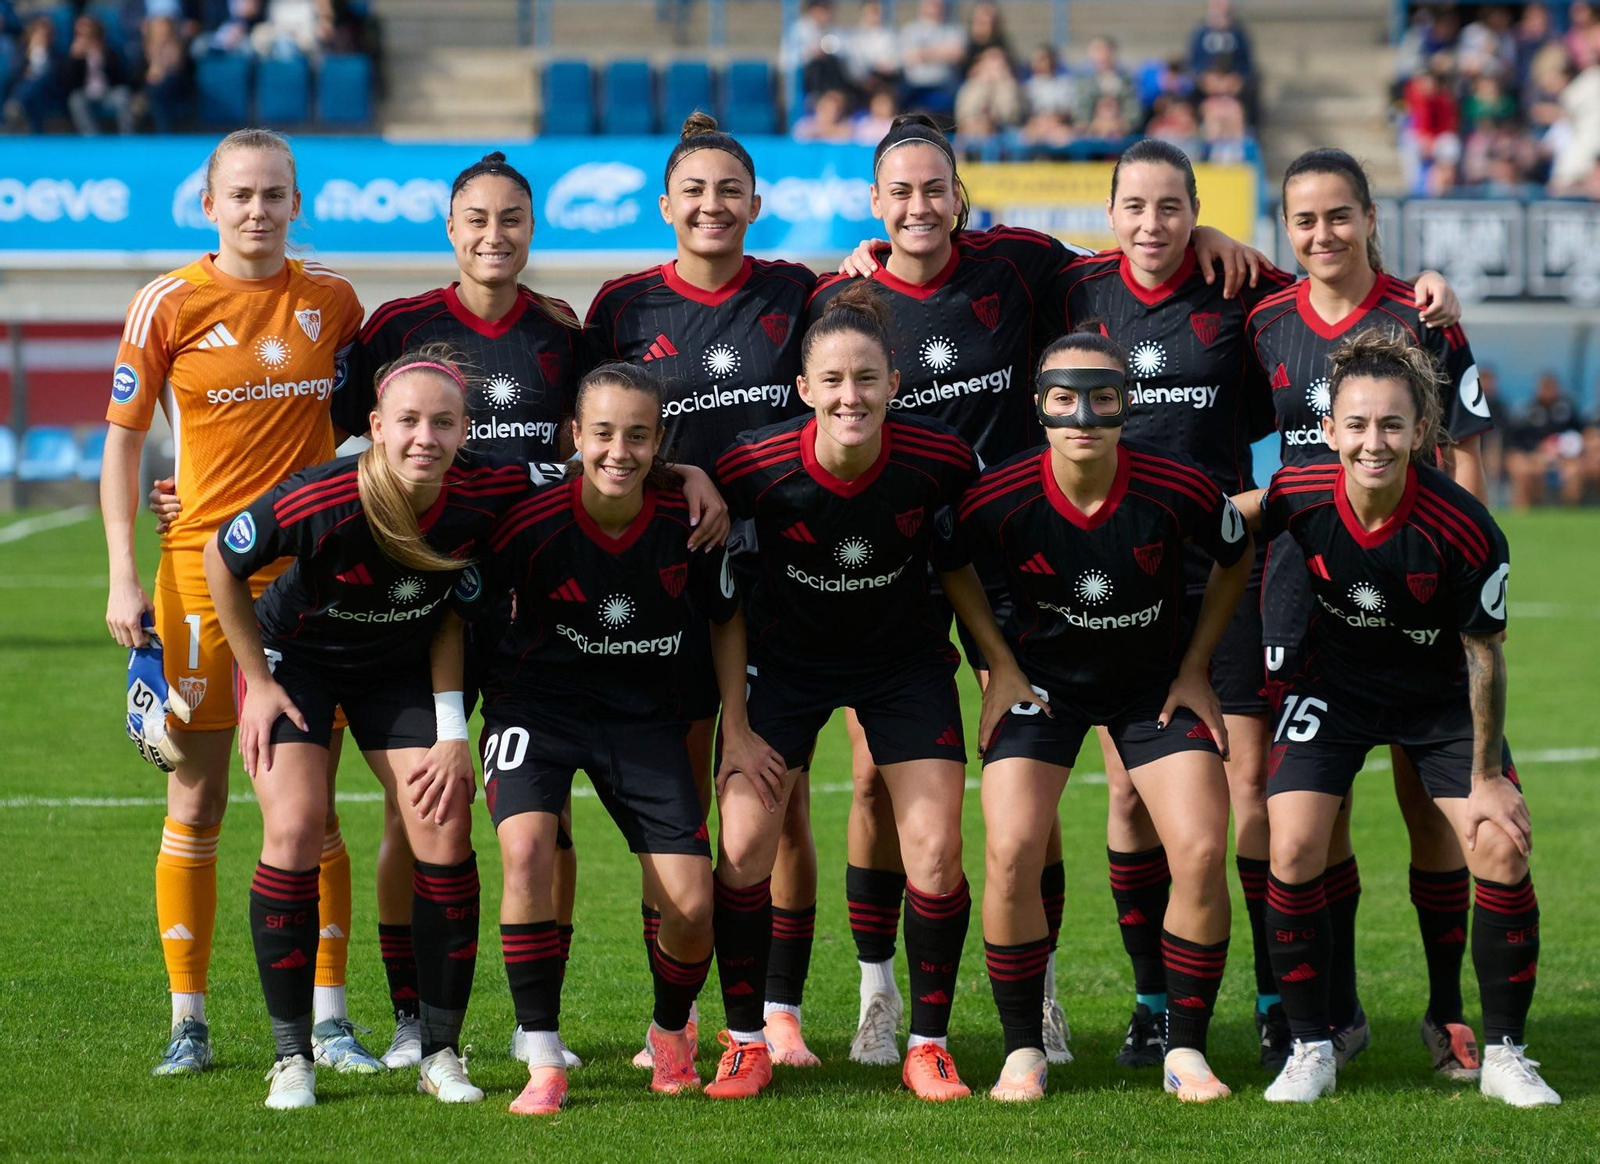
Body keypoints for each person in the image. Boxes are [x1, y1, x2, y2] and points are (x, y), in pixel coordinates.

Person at [818, 113, 1265, 1071]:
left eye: (934, 188)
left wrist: (1210, 236)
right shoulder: (844, 296)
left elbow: (1127, 261)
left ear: (960, 194)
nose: (919, 207)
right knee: (867, 776)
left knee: (1034, 795)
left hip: (1016, 558)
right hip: (898, 555)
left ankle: (1044, 990)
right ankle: (876, 992)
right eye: (899, 192)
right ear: (874, 202)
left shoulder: (1022, 263)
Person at [1052, 139, 1461, 1072]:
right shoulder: (1071, 291)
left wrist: (1427, 285)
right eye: (1135, 206)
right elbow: (956, 257)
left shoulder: (1242, 290)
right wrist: (869, 257)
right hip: (1115, 572)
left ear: (1198, 211)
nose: (1153, 224)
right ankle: (1153, 1005)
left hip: (1227, 570)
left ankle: (1285, 1003)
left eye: (1172, 207)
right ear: (1110, 213)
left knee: (1251, 790)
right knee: (1125, 791)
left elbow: (1336, 280)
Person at [707, 283, 1031, 1101]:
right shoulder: (750, 466)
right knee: (744, 847)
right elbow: (725, 595)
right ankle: (745, 1039)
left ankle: (928, 1043)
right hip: (783, 667)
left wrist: (998, 667)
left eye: (867, 378)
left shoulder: (941, 460)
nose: (850, 396)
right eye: (833, 381)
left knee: (934, 852)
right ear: (805, 390)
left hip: (902, 666)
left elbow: (958, 567)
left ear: (893, 382)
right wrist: (737, 725)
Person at [100, 128, 377, 1078]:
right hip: (194, 576)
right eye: (241, 194)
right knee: (200, 792)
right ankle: (190, 1020)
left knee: (308, 807)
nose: (257, 209)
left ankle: (331, 1021)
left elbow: (363, 422)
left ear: (296, 201)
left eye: (274, 194)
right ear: (208, 203)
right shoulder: (168, 300)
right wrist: (122, 575)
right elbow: (123, 445)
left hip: (307, 580)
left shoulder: (334, 299)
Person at [1235, 329, 1559, 1108]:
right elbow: (1241, 516)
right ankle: (1312, 1047)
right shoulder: (1300, 490)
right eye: (1357, 425)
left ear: (1421, 433)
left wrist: (1486, 777)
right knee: (1294, 842)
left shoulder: (1466, 528)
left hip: (1439, 700)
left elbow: (1484, 656)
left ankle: (1507, 1054)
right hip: (1333, 690)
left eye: (1390, 425)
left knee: (1500, 846)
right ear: (1328, 431)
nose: (1372, 442)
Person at [201, 346, 531, 1108]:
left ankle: (441, 1054)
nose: (426, 437)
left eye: (443, 423)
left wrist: (454, 731)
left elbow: (456, 608)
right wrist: (255, 683)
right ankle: (292, 1059)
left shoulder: (485, 491)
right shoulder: (319, 498)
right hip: (297, 664)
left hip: (398, 666)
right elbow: (222, 558)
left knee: (444, 830)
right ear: (376, 427)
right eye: (408, 421)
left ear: (465, 430)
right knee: (294, 826)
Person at [330, 150, 586, 1071]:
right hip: (413, 607)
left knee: (546, 823)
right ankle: (412, 1019)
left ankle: (533, 1018)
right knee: (415, 815)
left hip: (529, 609)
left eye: (511, 218)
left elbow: (593, 447)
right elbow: (323, 454)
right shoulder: (398, 328)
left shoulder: (562, 332)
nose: (494, 235)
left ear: (531, 227)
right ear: (450, 228)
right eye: (476, 219)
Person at [476, 362, 781, 1113]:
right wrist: (466, 726)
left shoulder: (691, 523)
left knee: (690, 905)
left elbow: (725, 618)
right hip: (537, 712)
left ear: (660, 445)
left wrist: (735, 729)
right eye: (603, 433)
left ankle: (670, 1029)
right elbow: (472, 619)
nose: (619, 451)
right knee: (525, 852)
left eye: (638, 436)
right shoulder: (527, 522)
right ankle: (542, 1057)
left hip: (643, 720)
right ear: (575, 436)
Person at [1247, 147, 1492, 1082]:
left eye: (1338, 216)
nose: (1322, 234)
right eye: (1303, 220)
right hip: (1314, 604)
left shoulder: (1422, 316)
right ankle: (1335, 1015)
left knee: (1432, 812)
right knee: (1321, 810)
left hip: (1422, 600)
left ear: (1369, 216)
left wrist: (1465, 568)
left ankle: (1447, 1014)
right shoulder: (1266, 320)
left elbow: (1465, 453)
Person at [584, 113, 822, 1068]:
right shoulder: (623, 308)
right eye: (695, 191)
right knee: (680, 804)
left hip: (789, 572)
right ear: (666, 205)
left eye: (730, 191)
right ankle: (671, 1018)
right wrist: (682, 478)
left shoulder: (799, 293)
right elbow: (591, 432)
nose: (712, 206)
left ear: (756, 206)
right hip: (667, 583)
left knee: (781, 797)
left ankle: (780, 1012)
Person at [963, 326, 1252, 1103]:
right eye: (1064, 401)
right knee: (1012, 849)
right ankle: (1023, 1050)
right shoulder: (998, 496)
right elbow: (953, 562)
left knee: (1196, 849)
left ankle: (1184, 1050)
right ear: (1038, 408)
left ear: (1127, 405)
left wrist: (1196, 665)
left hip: (1150, 692)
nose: (1083, 419)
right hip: (1044, 692)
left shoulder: (1179, 486)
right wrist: (996, 665)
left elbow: (1236, 552)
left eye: (1102, 400)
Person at [1504, 371, 1587, 507]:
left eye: (1552, 387)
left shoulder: (1568, 409)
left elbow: (1579, 435)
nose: (1549, 391)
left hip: (1564, 458)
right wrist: (1535, 454)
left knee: (1574, 472)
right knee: (1524, 471)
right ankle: (1524, 512)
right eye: (1545, 387)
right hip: (1533, 456)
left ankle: (1570, 512)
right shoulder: (1526, 411)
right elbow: (1515, 442)